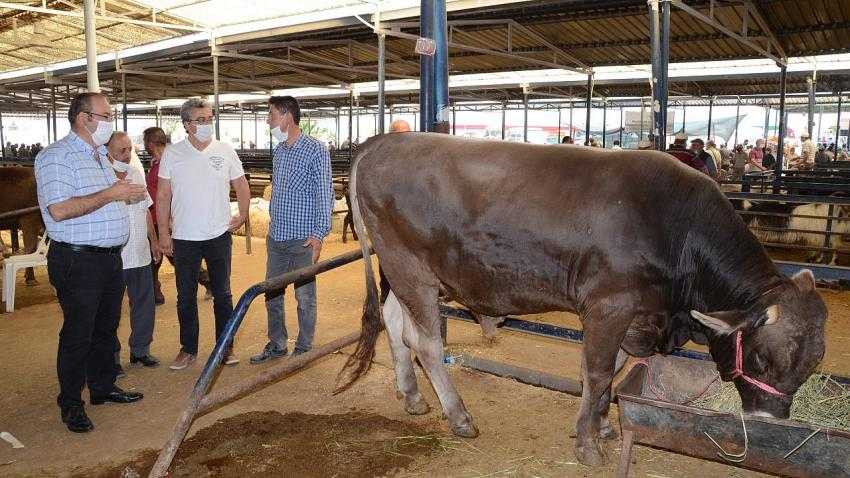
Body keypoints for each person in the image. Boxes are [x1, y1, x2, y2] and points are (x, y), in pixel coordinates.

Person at [34, 92, 146, 433]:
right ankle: (70, 402)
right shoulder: (57, 157)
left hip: (109, 259)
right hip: (78, 259)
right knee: (78, 333)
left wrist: (120, 191)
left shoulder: (97, 155)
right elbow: (60, 209)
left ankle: (101, 387)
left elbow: (97, 200)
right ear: (84, 118)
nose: (110, 122)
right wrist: (112, 194)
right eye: (106, 115)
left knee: (104, 328)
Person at [157, 98, 251, 370]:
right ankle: (188, 349)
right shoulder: (173, 154)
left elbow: (241, 185)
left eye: (210, 119)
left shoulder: (225, 150)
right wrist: (164, 233)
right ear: (187, 125)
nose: (207, 124)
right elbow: (163, 195)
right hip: (185, 236)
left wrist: (243, 214)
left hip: (218, 234)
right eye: (201, 120)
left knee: (223, 294)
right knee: (185, 296)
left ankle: (225, 347)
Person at [250, 96, 333, 364]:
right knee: (272, 294)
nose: (268, 120)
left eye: (271, 114)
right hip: (277, 236)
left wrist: (319, 234)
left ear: (287, 116)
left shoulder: (316, 150)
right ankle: (277, 344)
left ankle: (304, 347)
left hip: (303, 239)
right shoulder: (279, 151)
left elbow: (324, 193)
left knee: (304, 297)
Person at [106, 132, 161, 368]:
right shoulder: (101, 176)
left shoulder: (136, 172)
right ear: (107, 150)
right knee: (110, 311)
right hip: (114, 255)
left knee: (144, 304)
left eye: (130, 149)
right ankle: (111, 359)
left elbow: (146, 209)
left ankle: (140, 350)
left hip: (139, 252)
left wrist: (154, 240)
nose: (127, 155)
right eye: (122, 151)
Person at [143, 127, 211, 306]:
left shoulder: (171, 160)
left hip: (165, 218)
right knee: (155, 257)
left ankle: (207, 281)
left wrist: (171, 220)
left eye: (145, 142)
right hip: (155, 217)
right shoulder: (159, 162)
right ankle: (154, 293)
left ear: (150, 143)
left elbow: (173, 192)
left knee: (176, 259)